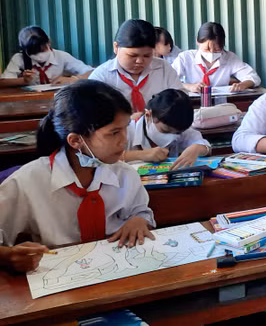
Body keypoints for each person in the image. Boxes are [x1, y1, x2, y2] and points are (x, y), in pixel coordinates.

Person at [0, 80, 156, 273]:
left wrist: (139, 220)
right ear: (75, 140)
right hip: (57, 275)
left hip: (117, 269)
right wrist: (7, 256)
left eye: (126, 128)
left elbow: (141, 211)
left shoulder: (125, 175)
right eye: (114, 133)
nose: (125, 140)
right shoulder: (28, 181)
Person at [89, 19, 183, 113]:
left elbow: (180, 103)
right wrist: (127, 120)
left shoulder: (163, 69)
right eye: (132, 55)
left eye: (147, 55)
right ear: (116, 47)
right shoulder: (101, 77)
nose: (140, 61)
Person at [124, 89, 211, 170]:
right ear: (148, 115)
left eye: (177, 133)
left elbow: (204, 146)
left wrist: (197, 148)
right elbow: (115, 157)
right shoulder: (127, 130)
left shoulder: (180, 127)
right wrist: (141, 155)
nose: (172, 137)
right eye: (165, 130)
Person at [173, 22, 261, 92]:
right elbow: (169, 81)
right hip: (192, 102)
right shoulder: (185, 58)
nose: (211, 53)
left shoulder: (229, 58)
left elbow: (253, 77)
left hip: (221, 102)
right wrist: (189, 86)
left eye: (217, 50)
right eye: (207, 49)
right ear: (198, 42)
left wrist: (242, 85)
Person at [0, 26, 92, 87]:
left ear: (49, 42)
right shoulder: (19, 58)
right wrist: (23, 81)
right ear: (24, 50)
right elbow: (3, 82)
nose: (39, 55)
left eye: (42, 50)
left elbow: (92, 72)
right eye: (33, 52)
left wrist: (73, 79)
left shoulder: (61, 56)